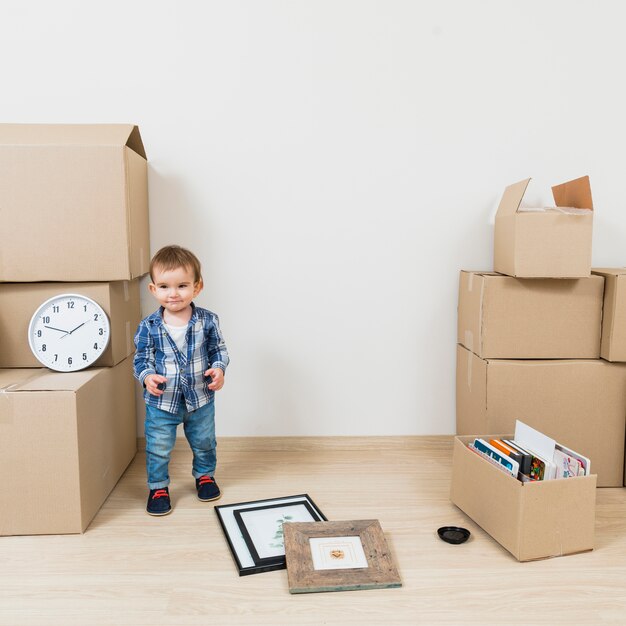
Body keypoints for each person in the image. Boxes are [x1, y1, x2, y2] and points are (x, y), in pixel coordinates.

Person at [133, 245, 229, 516]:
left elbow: (218, 350)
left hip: (200, 398)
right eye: (164, 286)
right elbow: (141, 359)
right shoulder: (148, 326)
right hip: (162, 401)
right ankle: (159, 487)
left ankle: (205, 475)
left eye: (182, 286)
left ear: (197, 287)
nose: (173, 294)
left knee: (205, 441)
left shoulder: (207, 321)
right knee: (159, 446)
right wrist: (147, 376)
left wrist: (219, 369)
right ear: (153, 289)